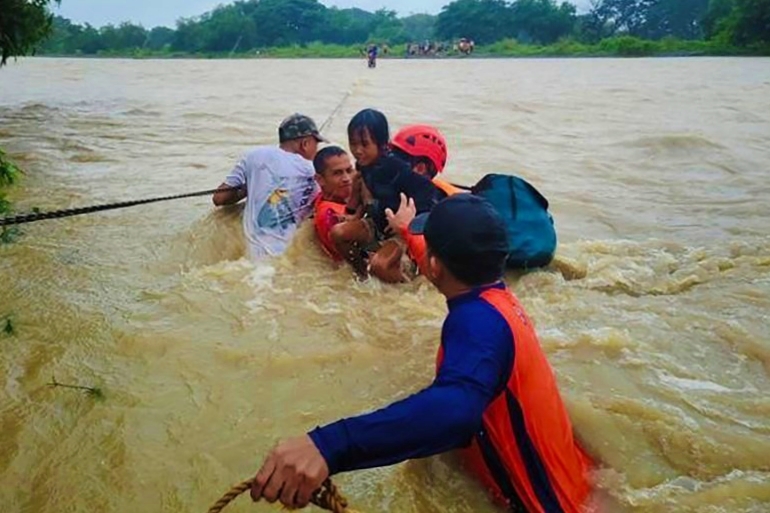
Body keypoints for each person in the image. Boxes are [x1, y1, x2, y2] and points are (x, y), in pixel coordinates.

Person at [249, 194, 594, 513]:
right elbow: (435, 261)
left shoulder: (477, 323)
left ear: (435, 263)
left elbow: (455, 411)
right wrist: (404, 230)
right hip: (579, 486)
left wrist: (329, 445)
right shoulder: (498, 302)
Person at [330, 109, 446, 282]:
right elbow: (365, 192)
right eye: (353, 144)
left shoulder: (398, 169)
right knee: (338, 233)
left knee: (380, 265)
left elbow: (429, 196)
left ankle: (405, 289)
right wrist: (355, 215)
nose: (358, 150)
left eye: (364, 144)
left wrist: (406, 225)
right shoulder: (364, 165)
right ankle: (362, 275)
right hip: (377, 223)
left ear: (382, 144)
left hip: (401, 230)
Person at [212, 113, 325, 258]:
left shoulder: (253, 156)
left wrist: (250, 187)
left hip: (251, 255)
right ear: (305, 144)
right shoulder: (315, 171)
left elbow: (219, 198)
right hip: (287, 258)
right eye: (317, 143)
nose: (317, 149)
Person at [311, 146, 356, 261]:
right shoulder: (329, 215)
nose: (347, 178)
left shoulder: (328, 198)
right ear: (320, 180)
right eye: (337, 173)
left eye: (349, 170)